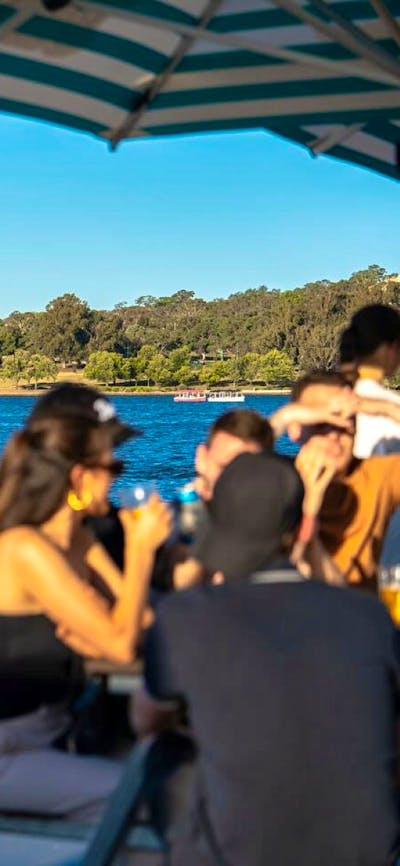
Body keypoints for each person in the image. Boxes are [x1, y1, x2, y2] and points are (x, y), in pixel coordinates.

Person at [136, 453, 400, 866]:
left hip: (240, 854)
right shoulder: (368, 616)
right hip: (366, 851)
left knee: (167, 751)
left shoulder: (187, 617)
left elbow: (147, 719)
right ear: (300, 529)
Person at [0, 382, 172, 821]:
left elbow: (141, 621)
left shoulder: (77, 539)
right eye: (112, 466)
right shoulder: (24, 547)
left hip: (57, 729)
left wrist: (101, 630)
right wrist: (139, 551)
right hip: (13, 746)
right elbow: (119, 644)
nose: (119, 475)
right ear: (79, 475)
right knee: (144, 798)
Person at [291, 370, 400, 590]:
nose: (334, 434)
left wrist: (386, 408)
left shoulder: (376, 476)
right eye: (321, 422)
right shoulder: (276, 481)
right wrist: (282, 418)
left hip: (360, 616)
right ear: (297, 428)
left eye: (345, 422)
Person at [339, 304, 400, 569]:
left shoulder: (331, 399)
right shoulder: (389, 407)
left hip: (345, 542)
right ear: (390, 349)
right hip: (389, 549)